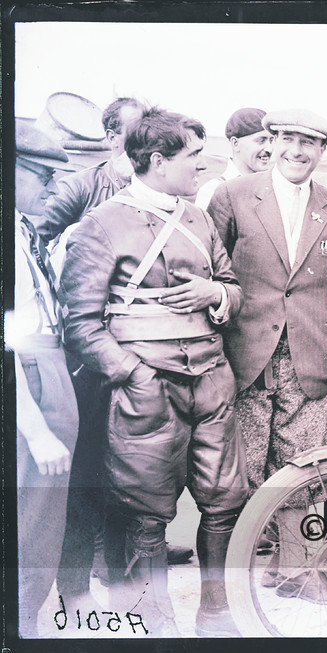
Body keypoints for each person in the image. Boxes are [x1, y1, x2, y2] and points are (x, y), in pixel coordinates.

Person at [61, 107, 247, 636]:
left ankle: (217, 613)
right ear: (159, 161)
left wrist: (217, 294)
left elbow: (232, 286)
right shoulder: (100, 225)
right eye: (193, 156)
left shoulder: (198, 218)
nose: (202, 165)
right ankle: (154, 619)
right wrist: (133, 374)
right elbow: (81, 324)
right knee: (146, 511)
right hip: (144, 386)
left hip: (212, 379)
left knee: (224, 501)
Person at [207, 109, 327, 490]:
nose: (296, 150)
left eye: (308, 142)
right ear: (272, 142)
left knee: (300, 479)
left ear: (321, 151)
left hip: (308, 362)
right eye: (287, 139)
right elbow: (213, 274)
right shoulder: (232, 195)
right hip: (245, 362)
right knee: (240, 479)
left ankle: (291, 551)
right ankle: (245, 551)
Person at [11, 119, 78, 637]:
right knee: (29, 520)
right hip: (25, 376)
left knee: (43, 517)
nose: (55, 187)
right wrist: (34, 427)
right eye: (42, 174)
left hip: (47, 366)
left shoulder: (23, 225)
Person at [33, 97, 145, 243]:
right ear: (112, 138)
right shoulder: (79, 186)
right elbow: (32, 239)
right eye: (137, 131)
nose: (147, 137)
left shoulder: (163, 186)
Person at [195, 107, 274, 209]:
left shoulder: (275, 187)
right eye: (261, 140)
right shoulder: (212, 190)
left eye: (271, 141)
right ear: (235, 144)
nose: (269, 149)